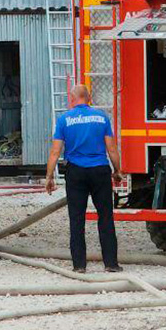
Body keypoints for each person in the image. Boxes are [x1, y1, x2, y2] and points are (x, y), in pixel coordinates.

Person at [45, 84, 123, 273]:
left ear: (72, 99)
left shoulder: (64, 119)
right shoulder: (102, 117)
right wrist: (117, 171)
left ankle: (79, 265)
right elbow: (112, 148)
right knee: (105, 216)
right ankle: (111, 263)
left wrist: (49, 176)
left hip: (76, 172)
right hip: (100, 170)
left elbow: (56, 151)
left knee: (76, 218)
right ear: (89, 98)